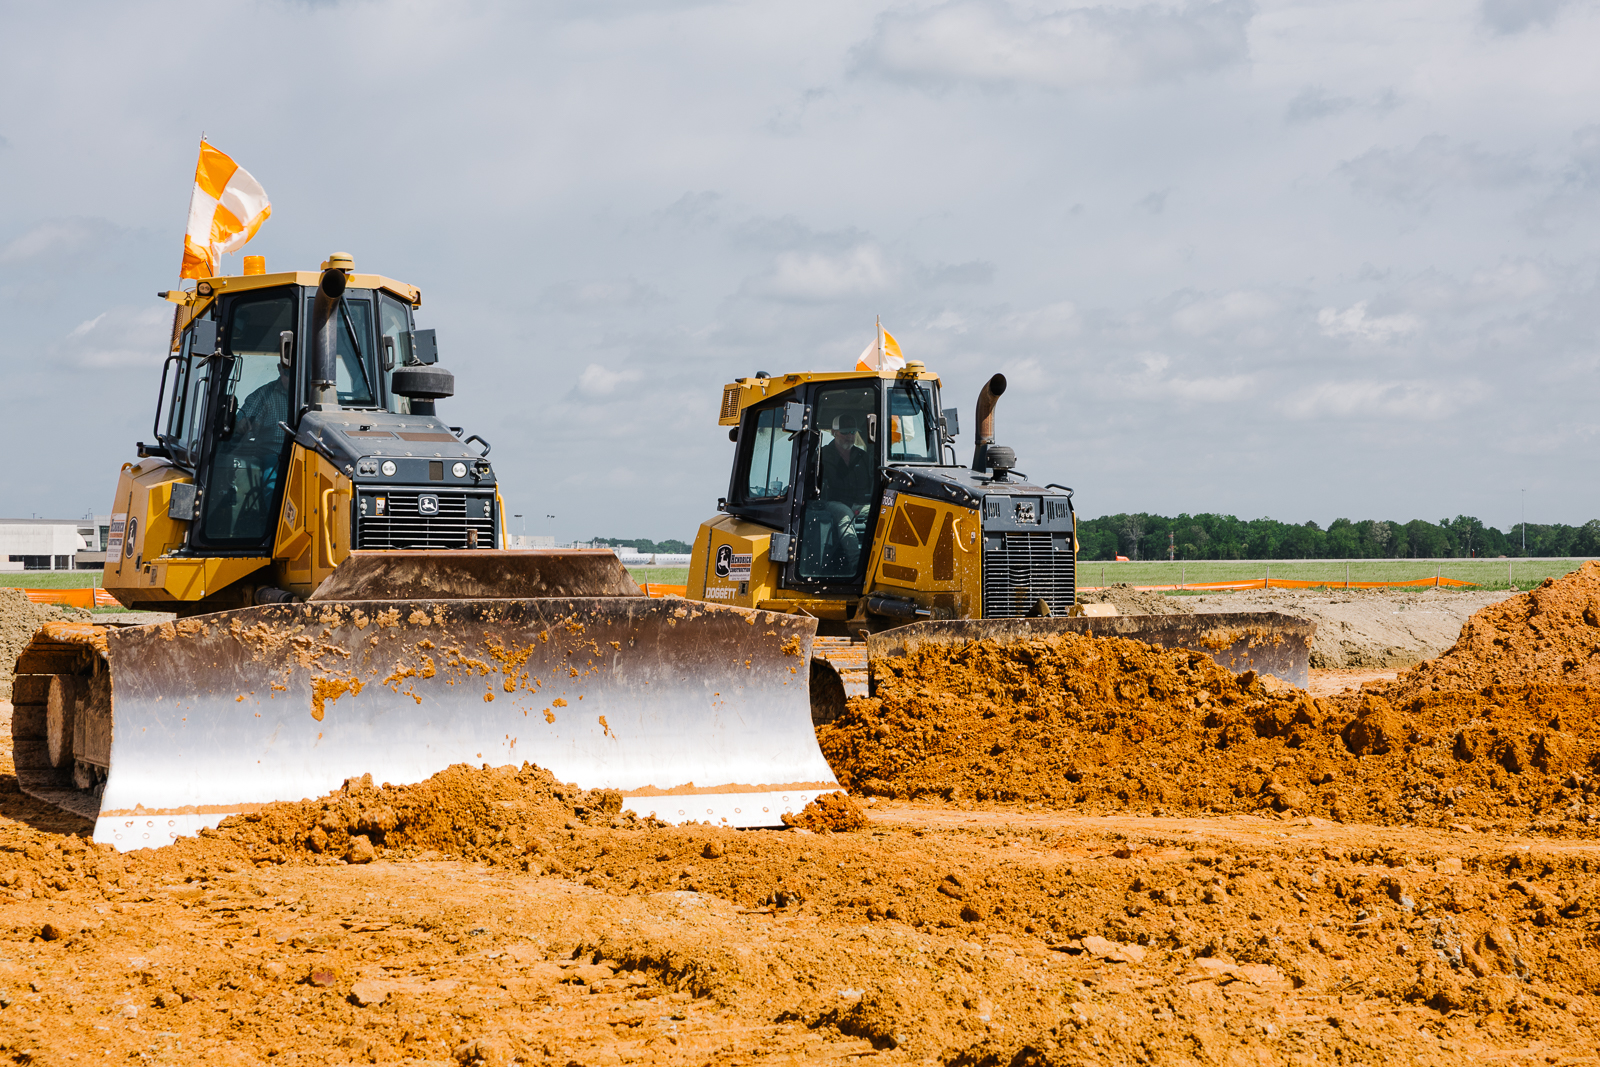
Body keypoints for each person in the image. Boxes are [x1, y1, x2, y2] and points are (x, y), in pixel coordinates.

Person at [813, 412, 875, 571]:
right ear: (833, 432)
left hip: (860, 504)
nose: (849, 436)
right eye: (845, 432)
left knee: (881, 511)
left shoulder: (863, 457)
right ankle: (858, 566)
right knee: (845, 516)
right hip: (833, 503)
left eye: (853, 432)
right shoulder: (821, 456)